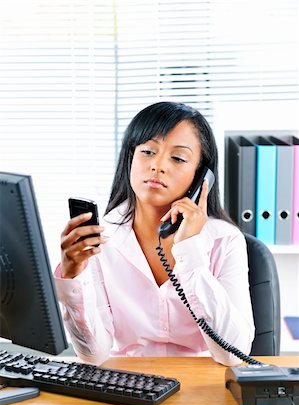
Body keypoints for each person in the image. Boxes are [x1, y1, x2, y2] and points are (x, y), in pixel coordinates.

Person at [54, 101, 255, 367]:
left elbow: (232, 354)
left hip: (202, 389)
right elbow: (93, 354)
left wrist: (190, 252)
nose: (158, 165)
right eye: (148, 151)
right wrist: (73, 276)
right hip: (128, 385)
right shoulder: (104, 239)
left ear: (201, 178)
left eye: (178, 158)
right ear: (130, 158)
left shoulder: (224, 241)